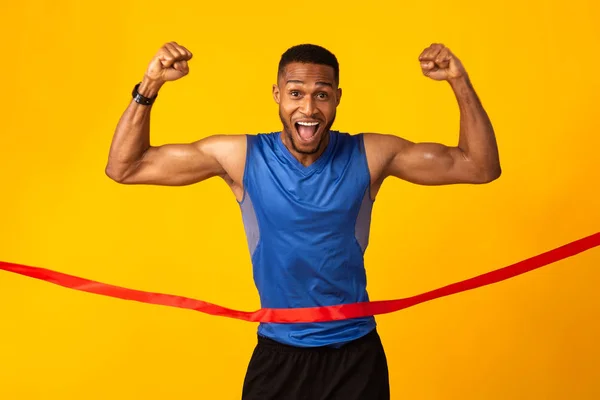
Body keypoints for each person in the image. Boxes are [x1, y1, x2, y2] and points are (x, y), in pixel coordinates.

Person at [105, 41, 501, 399]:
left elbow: (480, 166)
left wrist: (459, 81)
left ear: (337, 99)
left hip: (355, 358)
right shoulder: (241, 157)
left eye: (321, 95)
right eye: (296, 93)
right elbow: (126, 167)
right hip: (279, 357)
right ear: (278, 95)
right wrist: (149, 85)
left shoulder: (371, 154)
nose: (308, 109)